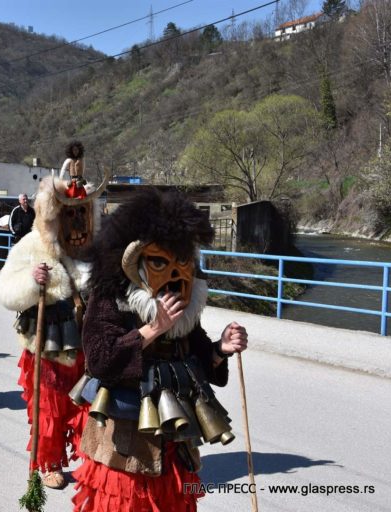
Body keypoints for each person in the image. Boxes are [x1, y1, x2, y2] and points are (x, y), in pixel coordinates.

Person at [71, 187, 248, 512]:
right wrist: (152, 329)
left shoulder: (182, 302)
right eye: (159, 261)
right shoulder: (110, 295)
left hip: (175, 441)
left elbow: (195, 354)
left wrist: (220, 349)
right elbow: (99, 359)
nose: (174, 276)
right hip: (126, 442)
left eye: (182, 262)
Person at [0, 173, 107, 490]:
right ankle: (49, 463)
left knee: (90, 406)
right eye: (67, 211)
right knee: (50, 409)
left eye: (80, 211)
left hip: (88, 345)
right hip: (48, 347)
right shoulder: (31, 244)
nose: (74, 218)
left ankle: (91, 459)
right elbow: (6, 290)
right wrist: (32, 280)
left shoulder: (97, 249)